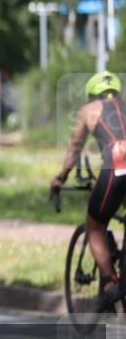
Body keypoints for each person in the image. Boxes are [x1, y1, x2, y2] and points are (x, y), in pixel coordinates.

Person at [50, 72, 126, 313]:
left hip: (117, 165)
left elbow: (75, 148)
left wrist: (61, 177)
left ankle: (110, 285)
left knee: (95, 226)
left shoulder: (88, 109)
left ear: (93, 94)